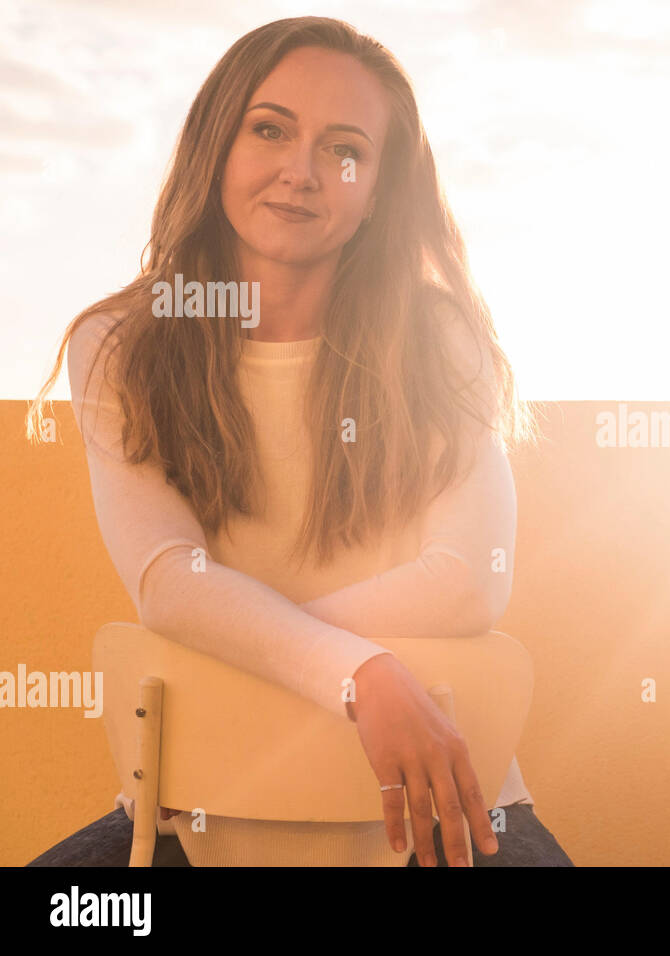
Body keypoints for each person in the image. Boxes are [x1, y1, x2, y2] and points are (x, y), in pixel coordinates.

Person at [24, 15, 572, 867]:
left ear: (381, 188)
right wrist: (361, 674)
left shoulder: (440, 340)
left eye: (344, 149)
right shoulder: (122, 345)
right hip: (190, 813)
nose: (301, 172)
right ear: (217, 144)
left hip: (435, 809)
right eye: (270, 128)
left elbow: (470, 583)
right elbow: (168, 581)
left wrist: (243, 644)